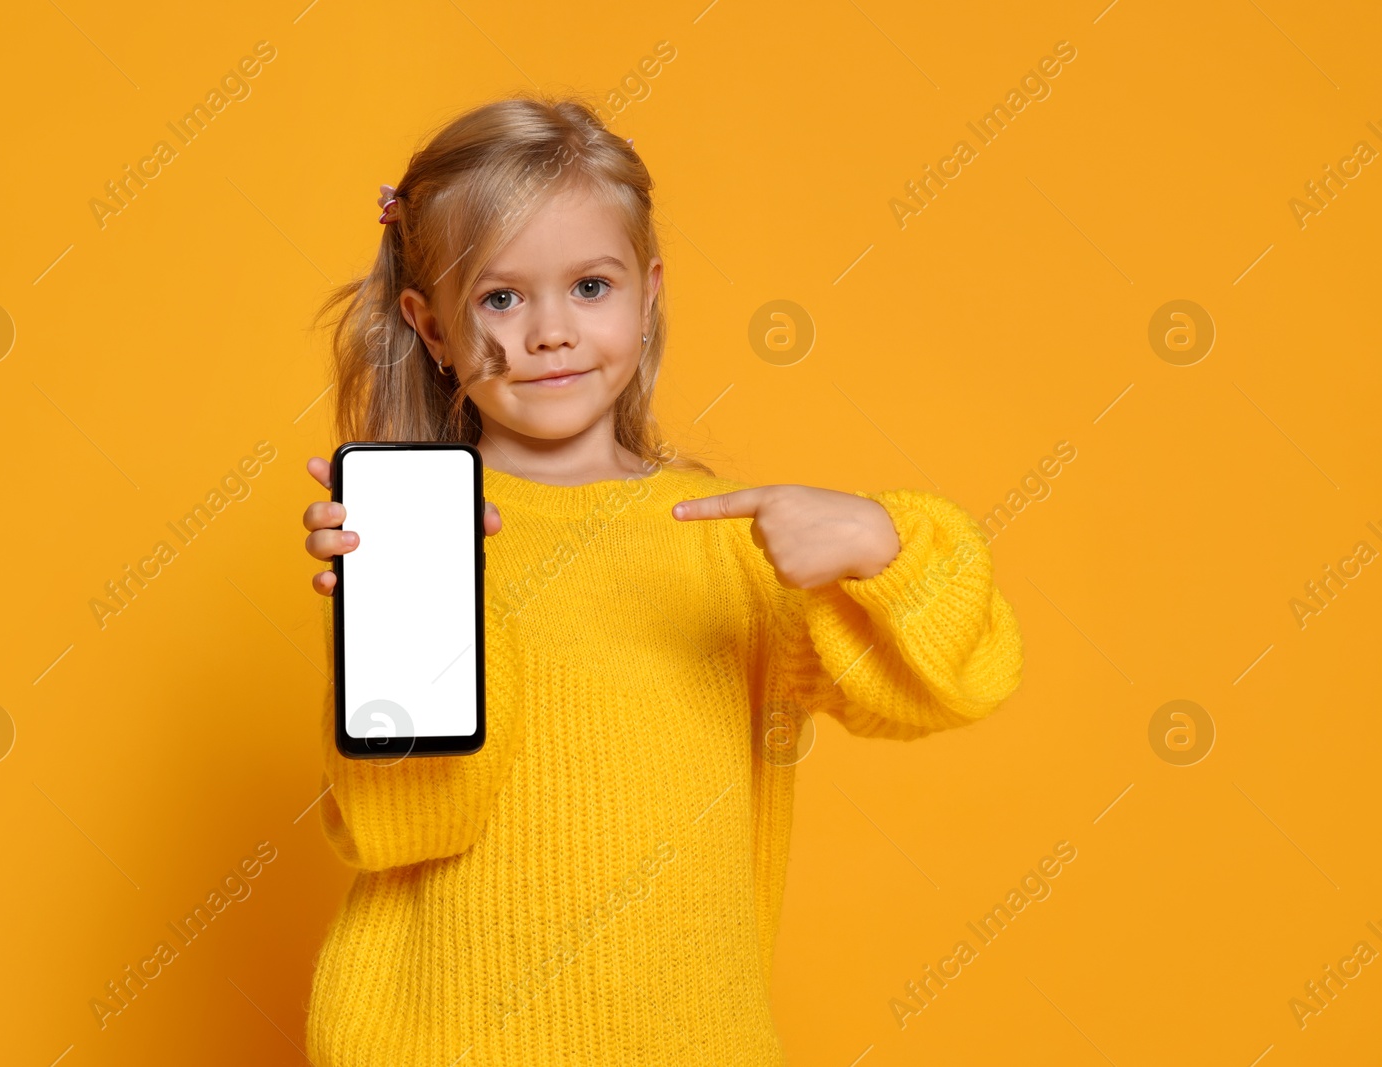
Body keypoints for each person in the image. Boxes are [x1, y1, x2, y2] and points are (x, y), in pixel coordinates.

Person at [298, 94, 1024, 1065]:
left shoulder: (730, 540)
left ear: (647, 294)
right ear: (431, 328)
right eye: (500, 298)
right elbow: (407, 823)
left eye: (589, 287)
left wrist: (884, 542)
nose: (551, 330)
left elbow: (951, 683)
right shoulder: (410, 542)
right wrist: (415, 611)